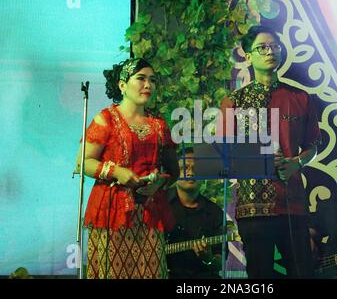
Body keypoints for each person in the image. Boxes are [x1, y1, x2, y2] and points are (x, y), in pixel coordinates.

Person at [219, 25, 322, 278]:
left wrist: (297, 162)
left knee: (302, 272)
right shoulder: (234, 101)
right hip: (253, 208)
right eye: (262, 48)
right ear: (248, 54)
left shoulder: (300, 97)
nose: (269, 52)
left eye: (274, 47)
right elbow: (223, 156)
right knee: (260, 275)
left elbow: (313, 146)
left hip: (293, 203)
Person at [75, 58, 179, 279]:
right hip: (112, 211)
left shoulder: (159, 125)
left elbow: (173, 172)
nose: (148, 85)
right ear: (122, 85)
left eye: (152, 80)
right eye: (140, 79)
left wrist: (158, 182)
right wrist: (117, 172)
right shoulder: (106, 120)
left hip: (149, 212)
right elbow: (82, 162)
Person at [165, 147, 225, 279]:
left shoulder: (215, 212)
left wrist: (208, 258)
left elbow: (219, 264)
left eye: (197, 169)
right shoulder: (160, 205)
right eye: (184, 168)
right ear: (175, 172)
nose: (191, 173)